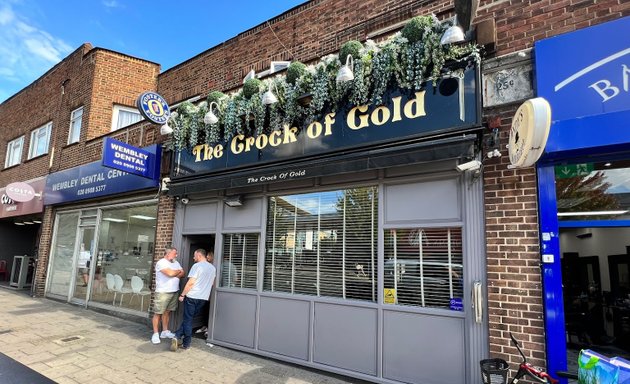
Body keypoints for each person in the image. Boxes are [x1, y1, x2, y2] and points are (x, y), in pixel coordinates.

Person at [171, 248, 216, 351]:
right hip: (203, 298)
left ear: (199, 255)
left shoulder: (196, 266)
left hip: (192, 297)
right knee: (189, 319)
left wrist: (182, 295)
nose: (193, 257)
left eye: (194, 255)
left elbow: (191, 282)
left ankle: (184, 342)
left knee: (187, 320)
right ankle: (178, 337)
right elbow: (212, 283)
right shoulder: (213, 268)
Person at [151, 246, 185, 344]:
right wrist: (177, 272)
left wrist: (176, 272)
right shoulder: (161, 263)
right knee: (158, 312)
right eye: (175, 253)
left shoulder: (176, 263)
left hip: (174, 291)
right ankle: (155, 334)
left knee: (167, 312)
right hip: (163, 292)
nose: (176, 255)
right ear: (168, 253)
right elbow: (170, 273)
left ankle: (164, 332)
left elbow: (183, 274)